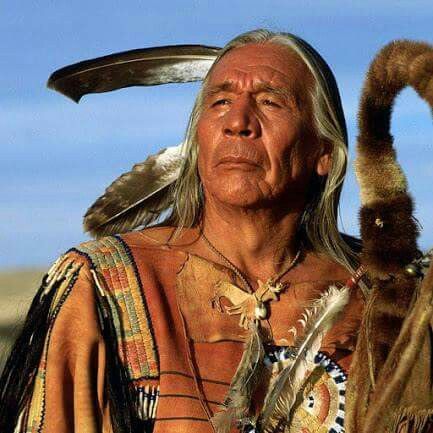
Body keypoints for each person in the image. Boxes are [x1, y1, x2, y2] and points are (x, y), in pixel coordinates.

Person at [2, 29, 431, 433]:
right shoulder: (103, 285)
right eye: (220, 102)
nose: (238, 121)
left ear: (323, 152)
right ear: (199, 140)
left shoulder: (388, 295)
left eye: (271, 102)